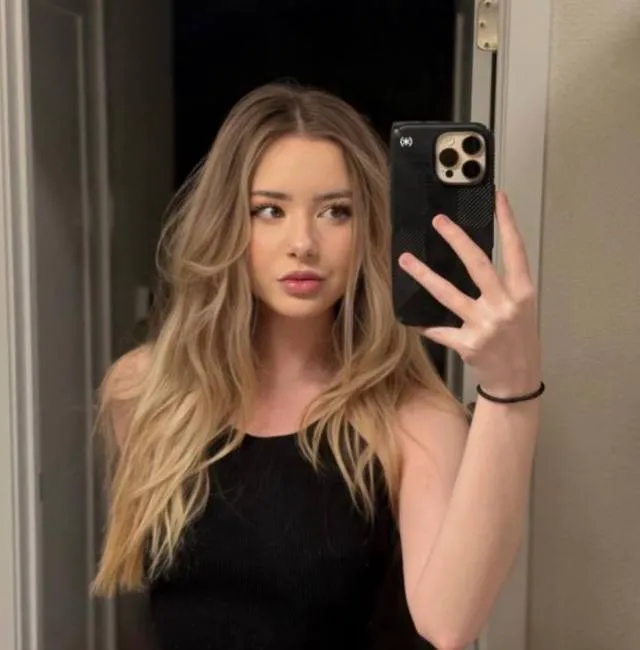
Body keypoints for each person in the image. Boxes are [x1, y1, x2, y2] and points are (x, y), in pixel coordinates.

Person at [92, 83, 543, 650]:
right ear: (227, 224)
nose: (302, 242)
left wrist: (510, 388)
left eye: (336, 211)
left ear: (369, 230)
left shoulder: (413, 419)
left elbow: (449, 625)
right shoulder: (144, 390)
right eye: (269, 210)